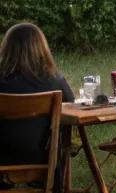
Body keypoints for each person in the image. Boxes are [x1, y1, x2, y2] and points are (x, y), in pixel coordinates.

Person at [0, 21, 75, 168]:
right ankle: (49, 188)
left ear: (6, 49)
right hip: (42, 159)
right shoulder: (54, 82)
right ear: (42, 49)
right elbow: (71, 105)